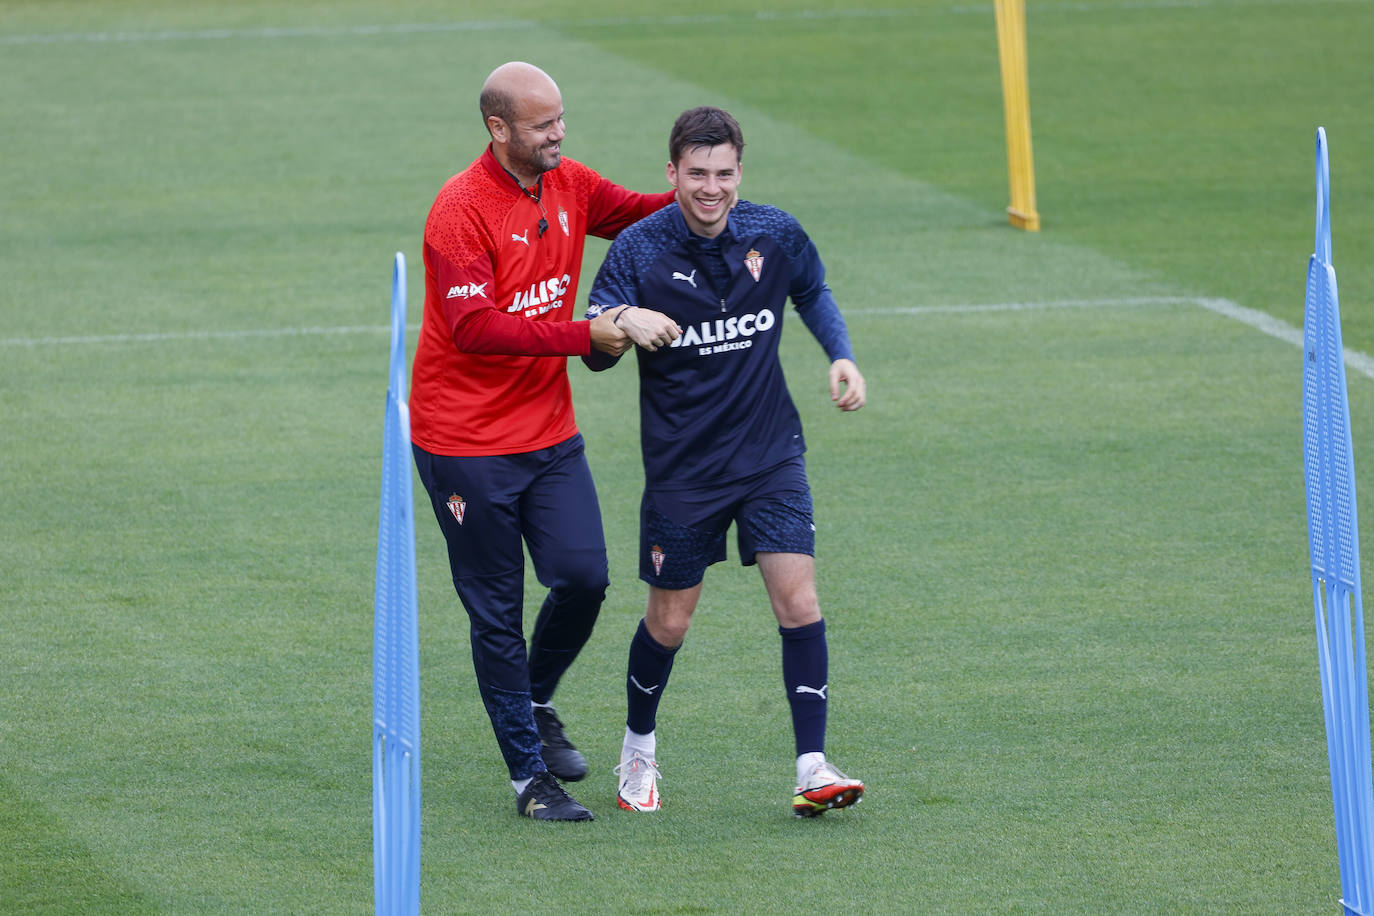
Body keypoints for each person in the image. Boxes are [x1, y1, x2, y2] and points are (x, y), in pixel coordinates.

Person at [409, 61, 681, 822]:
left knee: (584, 578)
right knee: (496, 610)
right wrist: (588, 333)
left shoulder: (568, 183)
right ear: (499, 130)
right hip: (464, 443)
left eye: (561, 117)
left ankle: (531, 698)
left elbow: (638, 213)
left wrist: (702, 194)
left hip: (547, 434)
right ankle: (529, 781)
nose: (558, 132)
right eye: (541, 124)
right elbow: (475, 327)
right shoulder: (458, 210)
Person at [583, 106, 867, 817]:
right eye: (698, 174)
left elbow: (812, 290)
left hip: (771, 454)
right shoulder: (638, 251)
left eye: (725, 174)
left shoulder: (773, 232)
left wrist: (841, 355)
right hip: (684, 473)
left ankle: (811, 766)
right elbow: (590, 349)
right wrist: (623, 322)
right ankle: (638, 752)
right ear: (672, 172)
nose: (712, 188)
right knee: (669, 624)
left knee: (798, 599)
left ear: (741, 172)